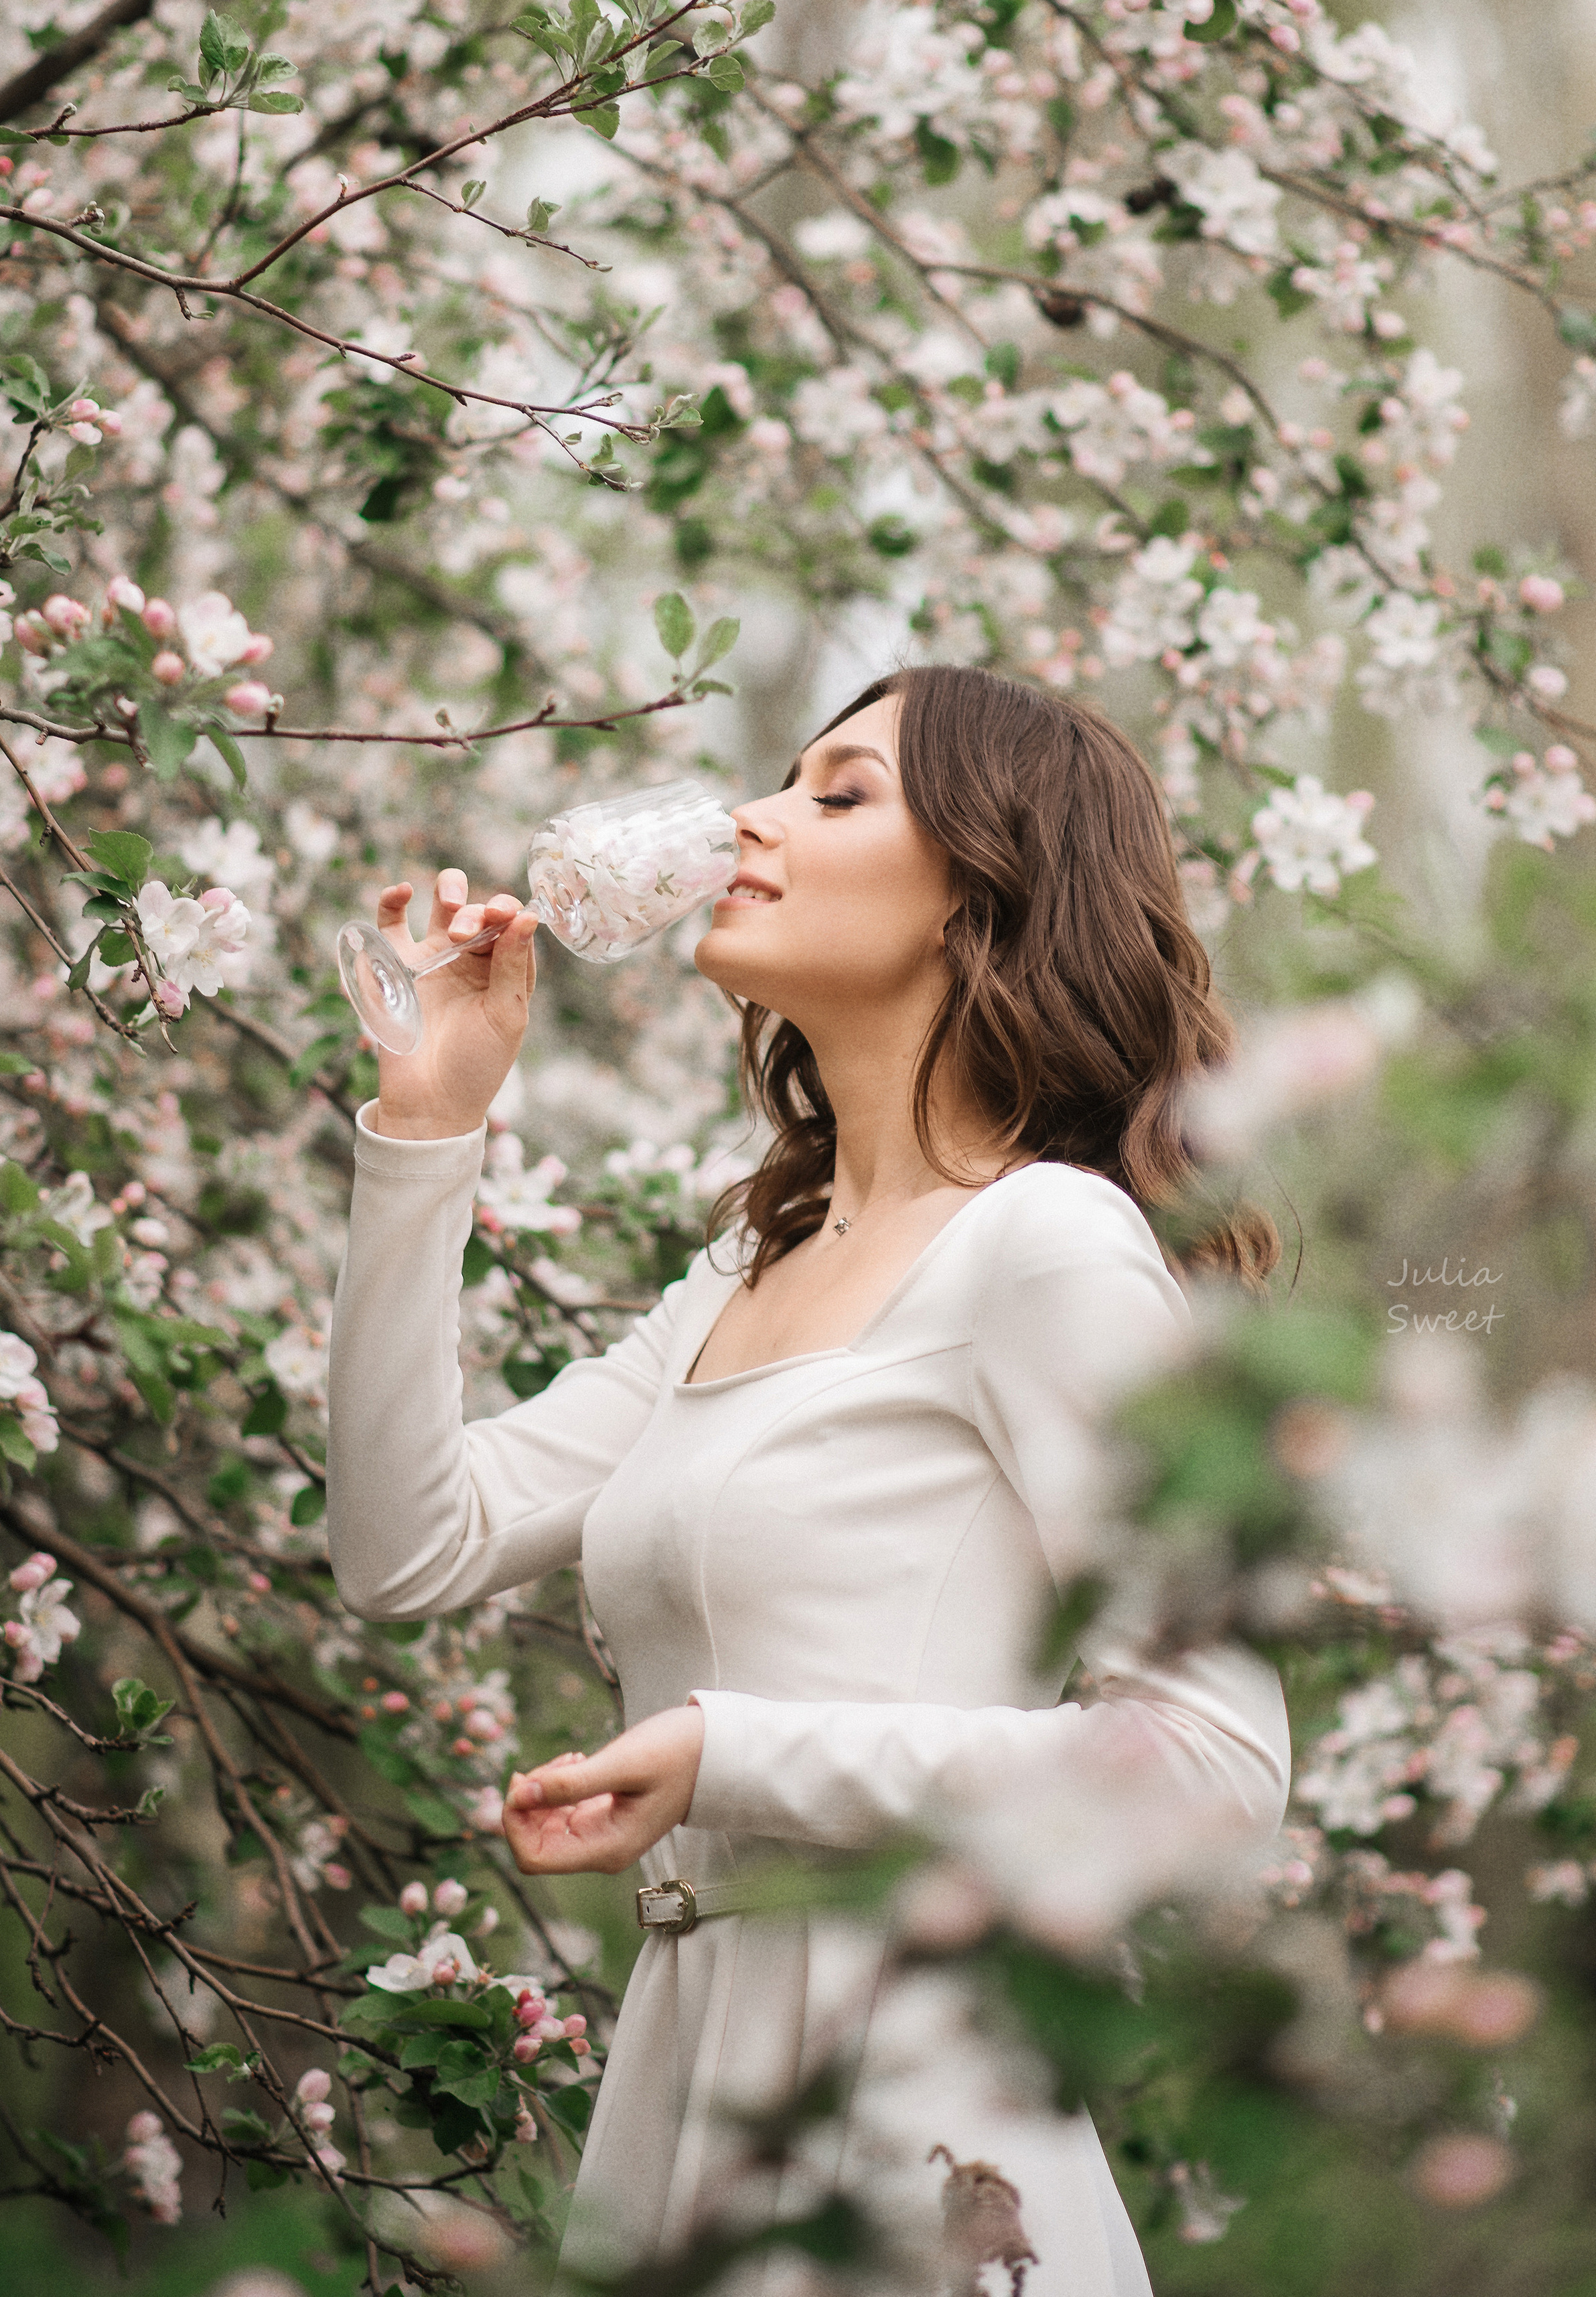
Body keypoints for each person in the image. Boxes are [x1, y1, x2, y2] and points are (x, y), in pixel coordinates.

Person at [325, 666, 1292, 2296]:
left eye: (838, 794)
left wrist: (734, 1752)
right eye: (779, 781)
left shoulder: (1045, 1245)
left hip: (907, 2124)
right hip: (680, 2100)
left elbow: (1207, 1768)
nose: (748, 820)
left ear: (977, 894)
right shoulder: (736, 1277)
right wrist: (428, 1138)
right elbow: (405, 1543)